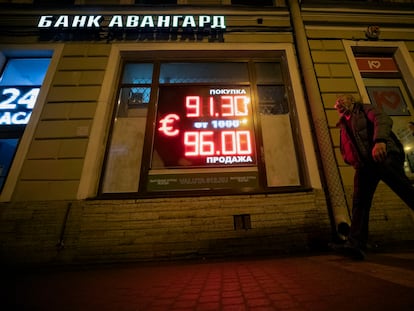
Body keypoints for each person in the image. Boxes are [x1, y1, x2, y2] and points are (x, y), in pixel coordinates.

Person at [333, 94, 414, 260]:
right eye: (337, 104)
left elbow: (383, 119)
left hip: (383, 156)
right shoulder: (343, 124)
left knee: (405, 190)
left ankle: (355, 243)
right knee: (360, 203)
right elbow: (346, 149)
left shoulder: (364, 109)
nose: (338, 105)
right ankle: (355, 245)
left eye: (342, 101)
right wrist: (351, 161)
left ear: (352, 101)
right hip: (365, 165)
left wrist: (380, 141)